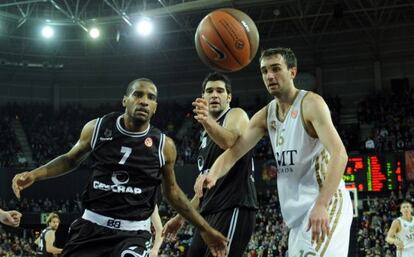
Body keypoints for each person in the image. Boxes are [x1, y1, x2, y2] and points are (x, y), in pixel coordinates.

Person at [12, 78, 227, 257]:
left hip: (132, 235)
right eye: (138, 95)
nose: (144, 101)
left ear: (155, 108)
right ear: (125, 100)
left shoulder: (164, 146)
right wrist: (35, 174)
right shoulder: (97, 128)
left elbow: (172, 192)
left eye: (151, 98)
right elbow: (70, 159)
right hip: (90, 228)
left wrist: (205, 229)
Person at [195, 48, 353, 257]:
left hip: (326, 203)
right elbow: (234, 152)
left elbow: (340, 154)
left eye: (276, 69)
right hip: (297, 217)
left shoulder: (311, 104)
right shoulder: (266, 114)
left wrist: (322, 204)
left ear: (292, 72)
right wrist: (212, 174)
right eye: (264, 71)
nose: (269, 76)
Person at [163, 72, 258, 257]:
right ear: (203, 97)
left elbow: (230, 141)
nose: (214, 94)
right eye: (209, 91)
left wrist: (206, 120)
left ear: (228, 97)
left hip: (234, 206)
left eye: (220, 91)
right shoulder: (204, 136)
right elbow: (202, 192)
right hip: (208, 213)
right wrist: (180, 218)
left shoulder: (236, 114)